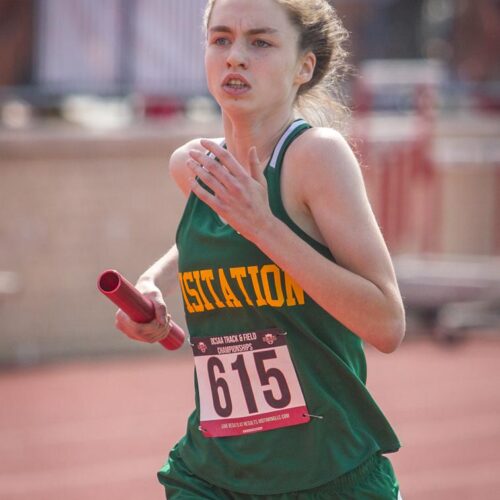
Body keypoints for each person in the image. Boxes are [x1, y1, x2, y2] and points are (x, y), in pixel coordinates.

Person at [115, 0, 405, 498]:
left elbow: (386, 324)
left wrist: (265, 227)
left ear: (304, 66)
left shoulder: (317, 157)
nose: (235, 57)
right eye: (221, 39)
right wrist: (151, 282)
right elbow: (216, 238)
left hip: (326, 472)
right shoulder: (194, 165)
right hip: (212, 473)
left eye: (261, 42)